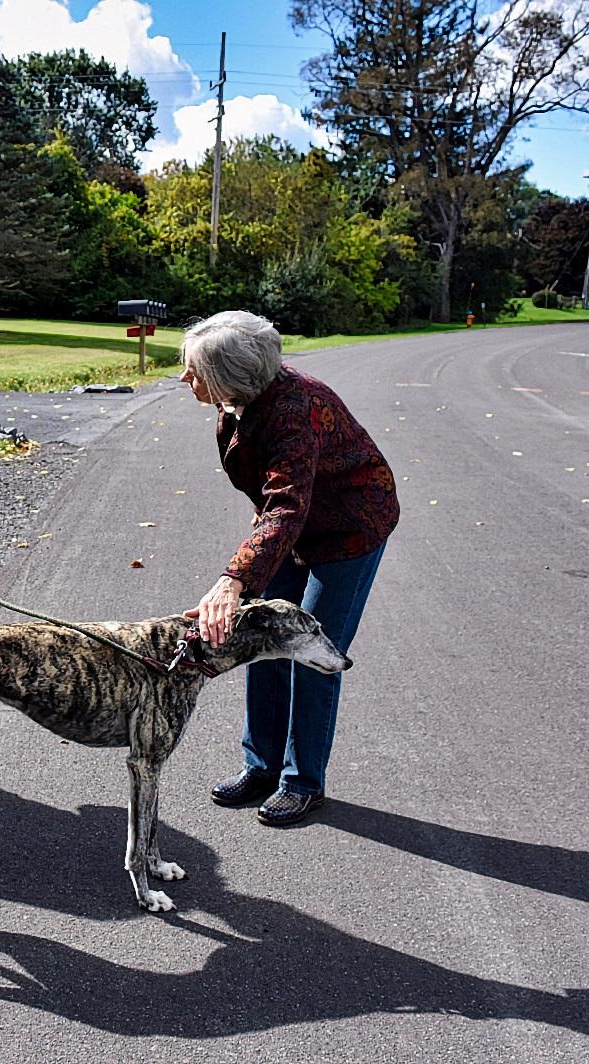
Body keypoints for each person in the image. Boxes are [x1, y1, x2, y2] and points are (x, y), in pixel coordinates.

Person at [180, 310, 399, 826]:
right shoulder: (239, 398)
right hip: (294, 527)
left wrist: (233, 578)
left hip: (349, 530)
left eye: (194, 372)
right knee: (261, 640)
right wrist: (245, 577)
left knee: (310, 651)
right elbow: (278, 502)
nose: (184, 380)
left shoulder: (294, 410)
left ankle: (302, 782)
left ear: (230, 375)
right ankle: (262, 766)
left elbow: (285, 504)